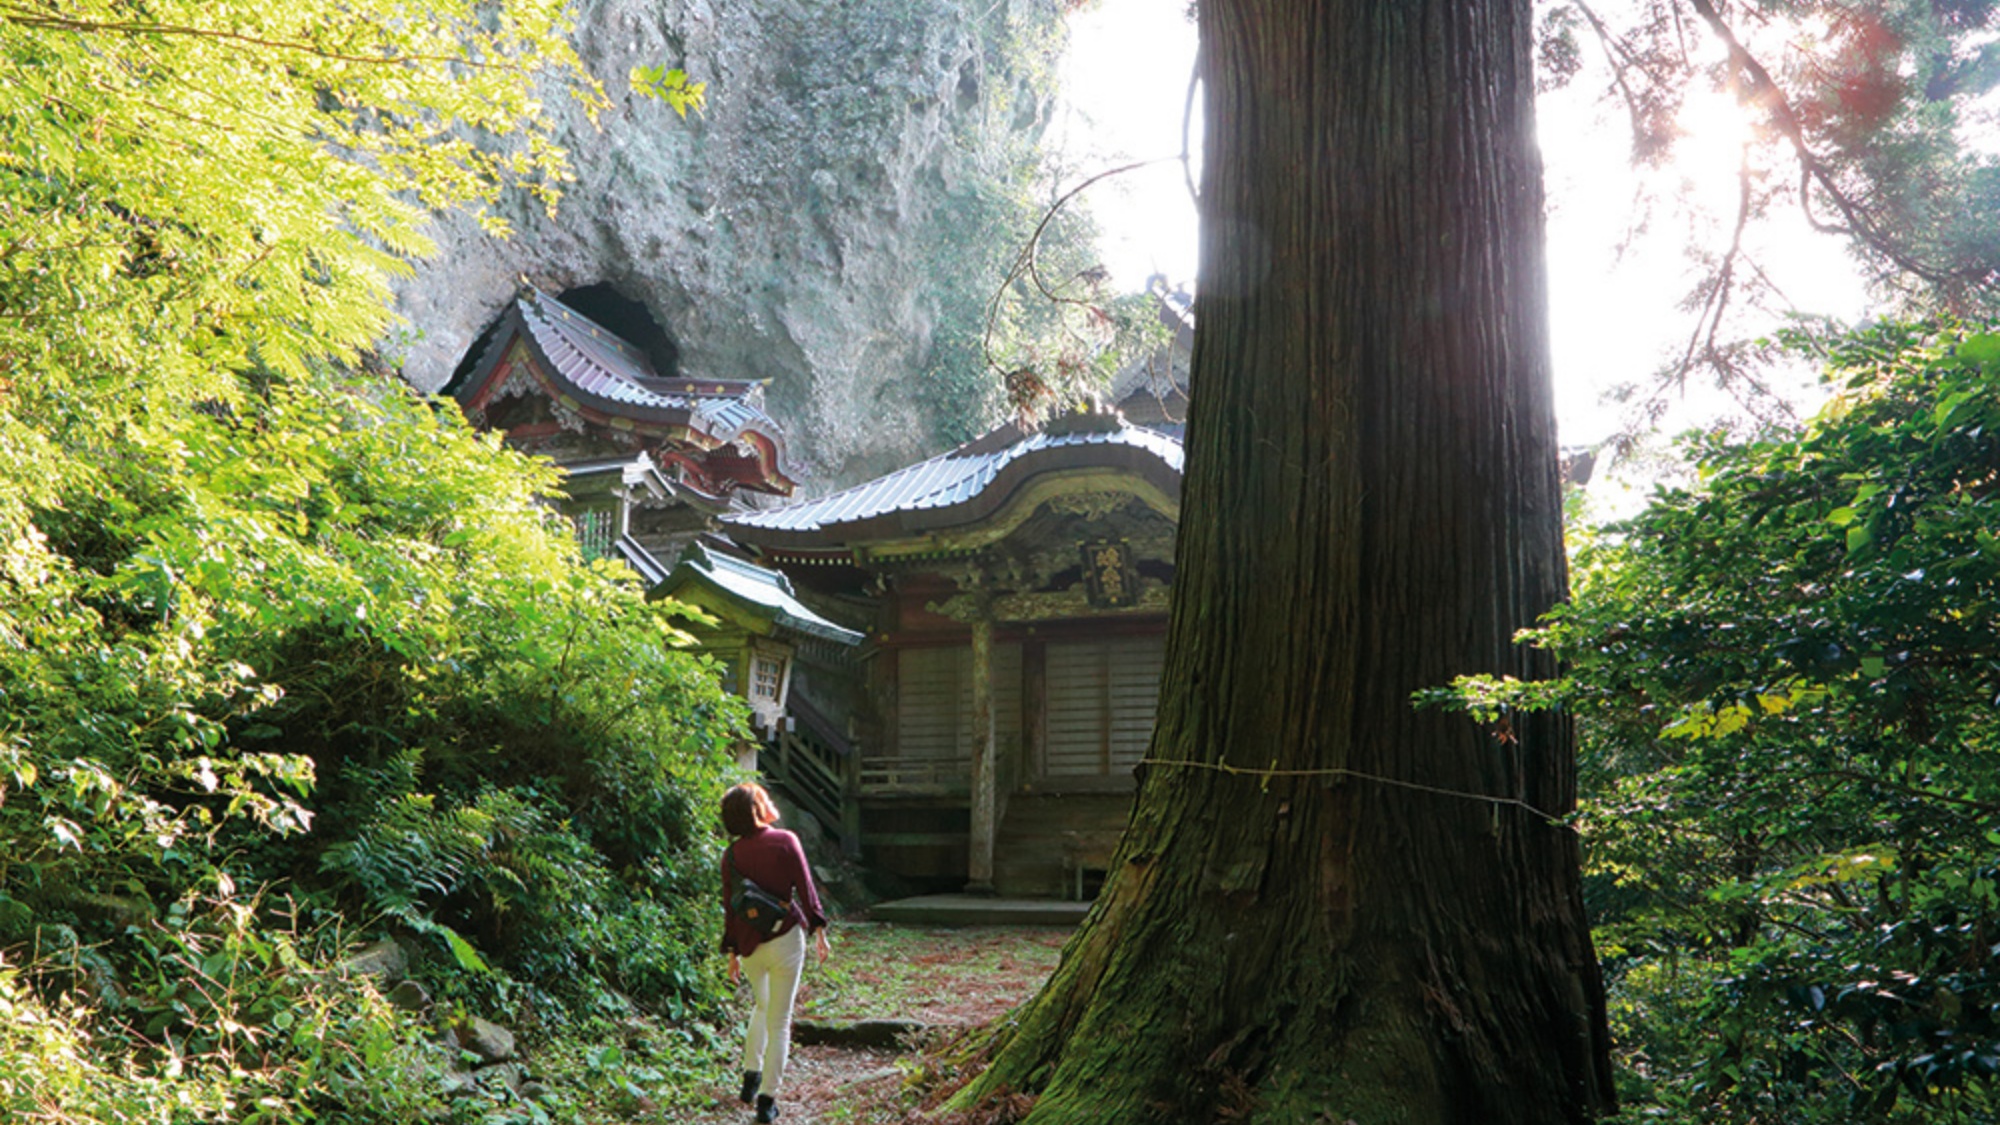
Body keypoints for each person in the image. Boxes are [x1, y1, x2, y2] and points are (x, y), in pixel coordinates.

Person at [720, 782, 830, 1124]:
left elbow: (731, 907)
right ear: (756, 810)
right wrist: (820, 930)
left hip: (750, 944)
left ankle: (750, 1077)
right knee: (779, 1020)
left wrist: (732, 951)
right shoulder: (785, 841)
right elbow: (806, 889)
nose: (770, 801)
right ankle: (766, 1101)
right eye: (764, 798)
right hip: (785, 938)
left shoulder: (731, 855)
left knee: (761, 1006)